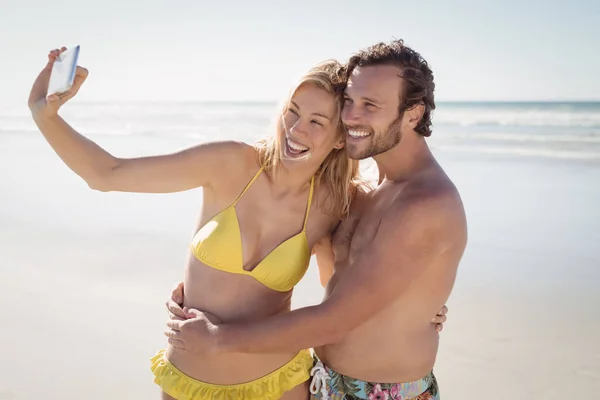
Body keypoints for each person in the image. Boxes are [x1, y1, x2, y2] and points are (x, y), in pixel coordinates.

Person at [28, 47, 449, 400]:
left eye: (317, 122)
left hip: (281, 383)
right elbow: (107, 174)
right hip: (189, 378)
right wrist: (45, 116)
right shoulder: (230, 164)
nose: (296, 130)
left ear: (340, 137)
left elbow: (342, 290)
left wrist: (416, 310)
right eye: (293, 111)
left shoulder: (335, 203)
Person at [165, 39, 467, 400]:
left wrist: (218, 339)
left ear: (413, 115)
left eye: (370, 105)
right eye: (350, 102)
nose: (352, 116)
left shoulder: (429, 203)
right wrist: (205, 287)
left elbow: (336, 319)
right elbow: (336, 277)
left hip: (384, 392)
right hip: (321, 380)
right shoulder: (361, 189)